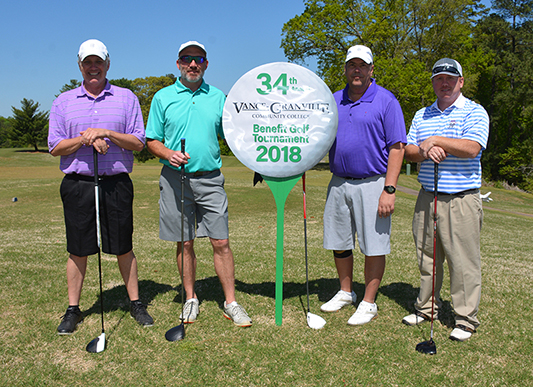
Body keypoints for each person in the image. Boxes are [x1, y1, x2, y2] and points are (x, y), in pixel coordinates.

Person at [48, 39, 153, 334]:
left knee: (123, 246)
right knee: (78, 248)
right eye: (87, 62)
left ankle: (135, 303)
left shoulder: (126, 98)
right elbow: (55, 147)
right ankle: (73, 310)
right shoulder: (63, 101)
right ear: (80, 65)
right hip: (77, 183)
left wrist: (106, 132)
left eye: (98, 61)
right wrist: (87, 138)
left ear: (108, 63)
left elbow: (138, 142)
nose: (93, 67)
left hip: (116, 183)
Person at [145, 41, 252, 327]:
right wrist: (168, 153)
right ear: (178, 64)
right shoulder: (162, 97)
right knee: (185, 241)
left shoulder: (218, 97)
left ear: (206, 64)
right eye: (187, 59)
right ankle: (190, 298)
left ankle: (231, 302)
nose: (193, 64)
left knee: (221, 241)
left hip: (210, 178)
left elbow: (235, 134)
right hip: (174, 179)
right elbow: (151, 139)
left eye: (198, 59)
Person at [402, 58, 489, 341]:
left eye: (451, 78)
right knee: (427, 257)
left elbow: (472, 148)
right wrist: (425, 151)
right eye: (439, 78)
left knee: (462, 262)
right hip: (428, 196)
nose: (445, 83)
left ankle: (465, 319)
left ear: (461, 82)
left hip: (461, 199)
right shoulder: (422, 114)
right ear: (433, 82)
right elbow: (409, 150)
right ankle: (427, 308)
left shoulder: (474, 112)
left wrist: (437, 140)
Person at [321, 45, 406, 325]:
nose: (356, 70)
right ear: (345, 69)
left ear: (371, 70)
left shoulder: (386, 101)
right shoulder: (333, 100)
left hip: (374, 182)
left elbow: (397, 147)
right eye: (351, 65)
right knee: (340, 241)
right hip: (339, 182)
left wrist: (389, 189)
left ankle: (368, 302)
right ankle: (346, 292)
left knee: (374, 244)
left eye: (362, 65)